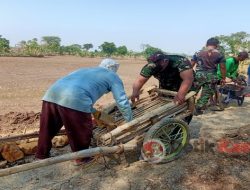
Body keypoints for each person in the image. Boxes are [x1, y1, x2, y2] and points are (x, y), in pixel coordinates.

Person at [35, 59, 133, 165]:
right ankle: (81, 158)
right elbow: (122, 100)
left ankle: (41, 155)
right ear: (113, 69)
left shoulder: (86, 70)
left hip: (51, 94)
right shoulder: (113, 76)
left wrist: (92, 110)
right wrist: (130, 121)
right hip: (73, 98)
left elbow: (79, 87)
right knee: (81, 130)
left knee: (47, 128)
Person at [131, 51, 194, 122]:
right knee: (164, 104)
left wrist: (181, 94)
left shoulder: (180, 61)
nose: (154, 68)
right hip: (165, 83)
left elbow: (188, 79)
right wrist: (135, 92)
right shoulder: (150, 66)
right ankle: (163, 124)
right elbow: (140, 80)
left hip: (183, 84)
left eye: (157, 66)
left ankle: (181, 126)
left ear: (165, 61)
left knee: (183, 105)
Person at [192, 38, 226, 115]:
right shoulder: (220, 54)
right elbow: (222, 67)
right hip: (211, 77)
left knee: (193, 91)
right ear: (217, 46)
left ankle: (187, 105)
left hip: (198, 75)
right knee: (206, 93)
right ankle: (197, 109)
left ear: (206, 44)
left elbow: (191, 64)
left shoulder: (198, 53)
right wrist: (223, 78)